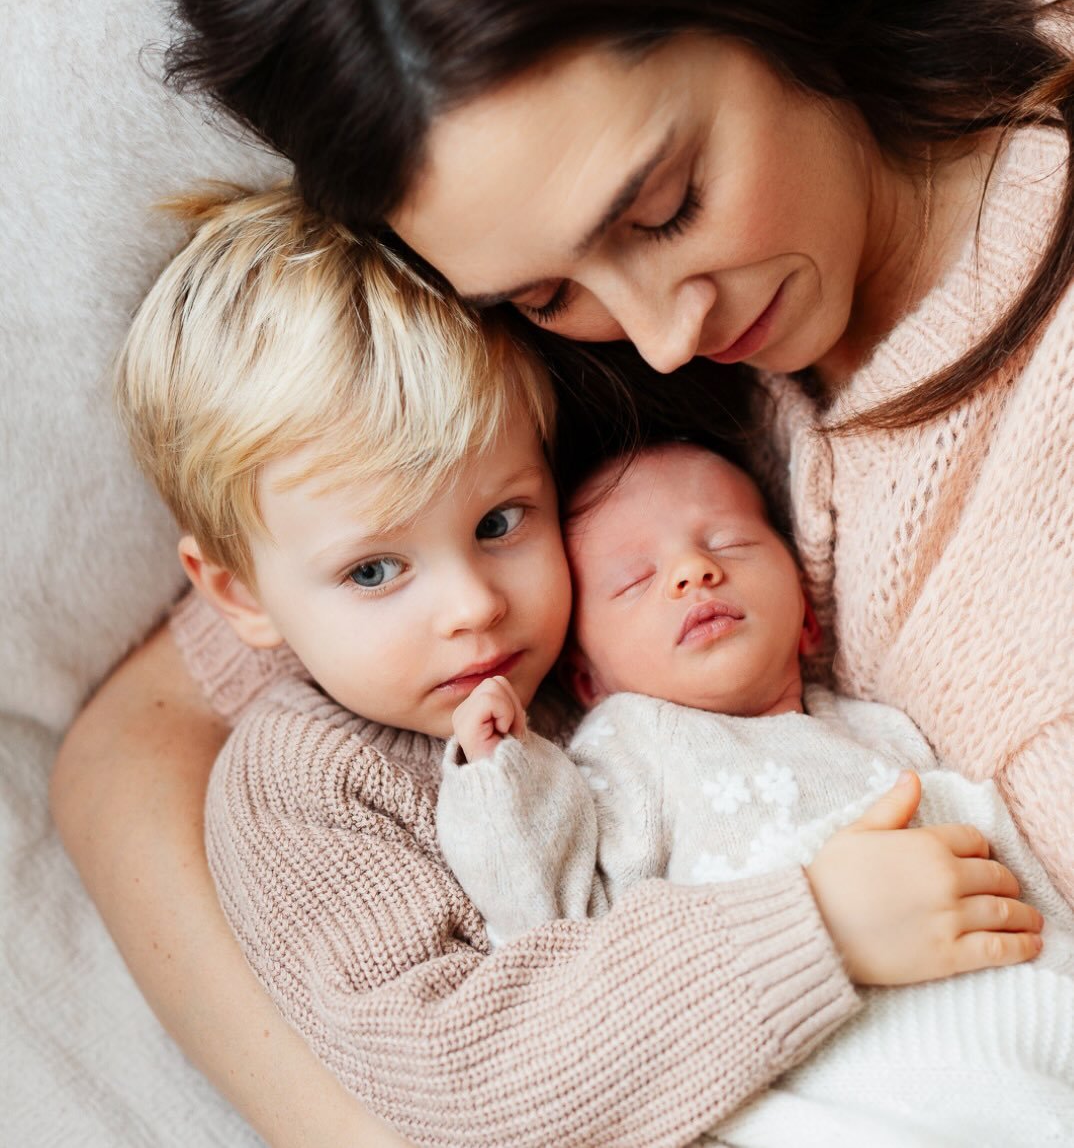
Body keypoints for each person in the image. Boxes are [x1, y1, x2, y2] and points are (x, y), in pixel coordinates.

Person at [52, 0, 1074, 1144]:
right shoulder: (543, 381)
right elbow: (141, 749)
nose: (654, 330)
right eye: (542, 287)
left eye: (662, 209)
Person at [116, 187, 1043, 1147]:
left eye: (498, 522)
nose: (474, 605)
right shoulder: (300, 787)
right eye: (374, 571)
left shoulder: (589, 636)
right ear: (239, 596)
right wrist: (814, 930)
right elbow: (459, 1068)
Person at [440, 439, 1073, 1145]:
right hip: (824, 1084)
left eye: (729, 542)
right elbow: (544, 922)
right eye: (634, 579)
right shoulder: (622, 752)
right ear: (589, 682)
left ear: (806, 616)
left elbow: (998, 853)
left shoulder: (882, 730)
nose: (692, 571)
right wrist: (497, 773)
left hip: (1015, 1022)